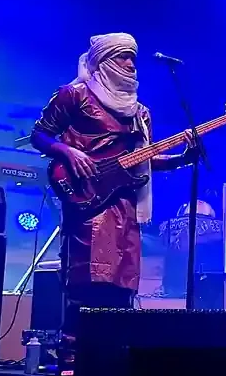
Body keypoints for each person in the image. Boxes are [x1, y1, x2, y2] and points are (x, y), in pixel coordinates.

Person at [31, 33, 197, 327]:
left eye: (133, 58)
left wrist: (183, 158)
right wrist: (68, 151)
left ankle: (114, 349)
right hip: (88, 202)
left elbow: (143, 161)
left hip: (126, 207)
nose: (131, 64)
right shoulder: (74, 95)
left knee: (121, 292)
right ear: (104, 61)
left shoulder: (140, 113)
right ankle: (76, 351)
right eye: (123, 57)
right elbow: (39, 135)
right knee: (88, 287)